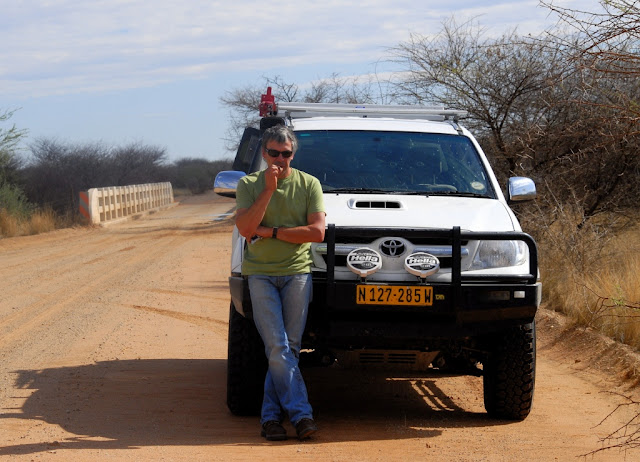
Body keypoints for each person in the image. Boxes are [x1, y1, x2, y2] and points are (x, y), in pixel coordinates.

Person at [234, 124, 326, 441]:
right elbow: (246, 228)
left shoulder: (309, 184)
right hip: (259, 273)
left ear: (293, 154)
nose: (279, 159)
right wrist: (269, 190)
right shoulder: (249, 184)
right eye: (273, 153)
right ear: (264, 153)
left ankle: (271, 418)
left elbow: (316, 232)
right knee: (276, 345)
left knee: (290, 348)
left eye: (286, 154)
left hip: (298, 271)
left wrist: (272, 232)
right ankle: (301, 416)